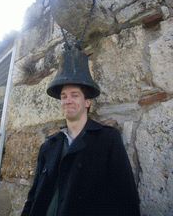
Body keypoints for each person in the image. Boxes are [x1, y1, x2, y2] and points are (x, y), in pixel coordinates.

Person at [21, 47, 140, 216]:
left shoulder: (108, 138)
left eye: (75, 95)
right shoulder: (48, 146)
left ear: (87, 102)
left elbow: (127, 198)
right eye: (64, 96)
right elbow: (33, 197)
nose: (67, 101)